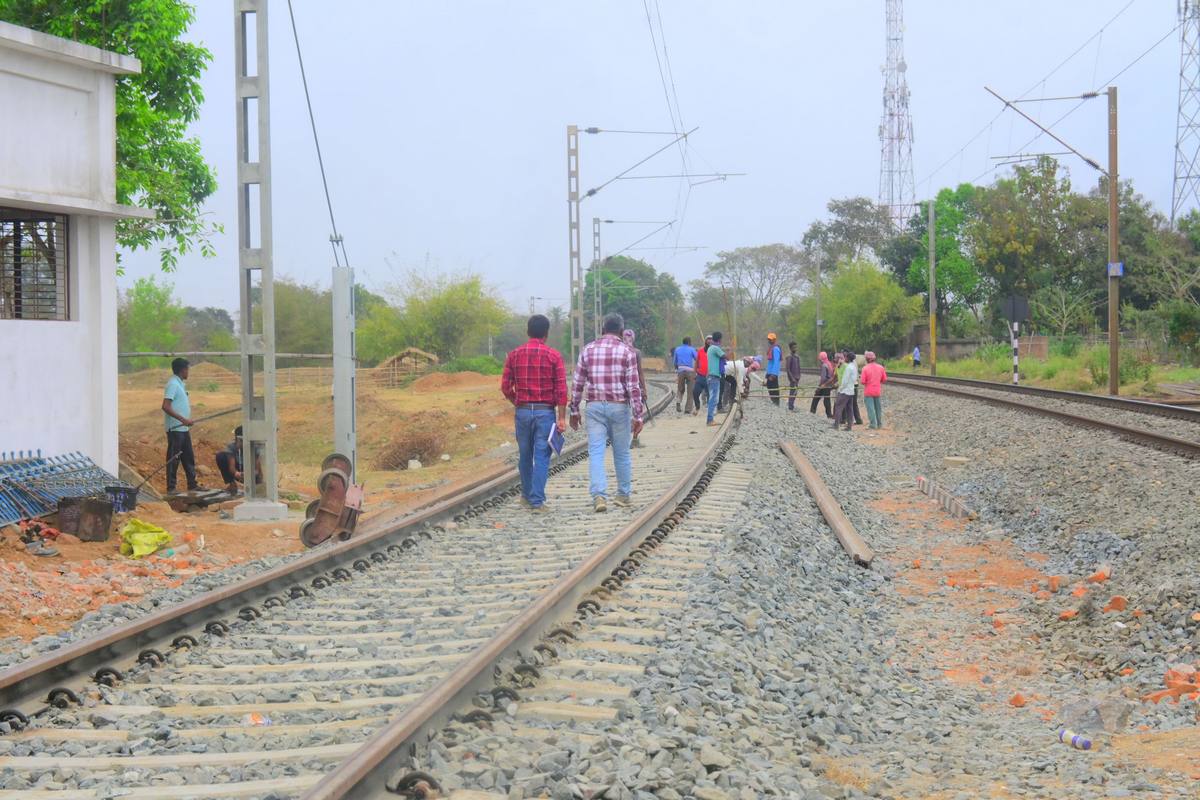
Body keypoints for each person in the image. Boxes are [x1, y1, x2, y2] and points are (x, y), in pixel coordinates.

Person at [569, 313, 645, 513]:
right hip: (619, 406)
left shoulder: (588, 350)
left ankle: (599, 496)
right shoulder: (627, 351)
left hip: (594, 406)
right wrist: (638, 415)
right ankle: (622, 495)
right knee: (621, 453)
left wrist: (574, 410)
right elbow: (633, 386)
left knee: (596, 452)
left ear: (602, 330)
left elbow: (577, 383)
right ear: (621, 331)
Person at [501, 314, 569, 512]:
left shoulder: (514, 355)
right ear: (546, 334)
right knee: (541, 456)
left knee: (524, 454)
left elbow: (505, 387)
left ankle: (525, 496)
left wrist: (517, 402)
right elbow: (561, 390)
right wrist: (562, 417)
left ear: (527, 332)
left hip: (522, 412)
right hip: (544, 413)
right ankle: (537, 501)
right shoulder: (554, 356)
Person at [162, 358, 199, 494]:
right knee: (174, 458)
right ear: (182, 370)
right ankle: (171, 488)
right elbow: (165, 406)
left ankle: (192, 484)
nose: (188, 372)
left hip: (183, 428)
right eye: (187, 369)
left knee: (188, 457)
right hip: (175, 429)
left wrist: (186, 421)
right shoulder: (173, 384)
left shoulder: (180, 384)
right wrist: (183, 419)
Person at [215, 425, 264, 495]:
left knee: (258, 487)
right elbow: (231, 467)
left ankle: (257, 487)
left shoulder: (254, 447)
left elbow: (257, 468)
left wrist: (254, 476)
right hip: (239, 471)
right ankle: (232, 484)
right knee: (220, 456)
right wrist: (237, 474)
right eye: (240, 441)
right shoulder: (231, 447)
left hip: (251, 472)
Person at [623, 329, 649, 448]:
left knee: (624, 414)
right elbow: (640, 372)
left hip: (620, 388)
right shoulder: (636, 352)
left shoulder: (618, 350)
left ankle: (622, 441)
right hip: (633, 385)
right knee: (636, 414)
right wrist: (643, 388)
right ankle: (634, 440)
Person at [861, 351, 888, 429]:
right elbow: (884, 379)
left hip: (868, 391)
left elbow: (863, 381)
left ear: (867, 359)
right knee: (878, 408)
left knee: (871, 409)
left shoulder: (865, 368)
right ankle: (879, 424)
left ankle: (873, 424)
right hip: (877, 390)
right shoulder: (881, 367)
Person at [833, 350, 859, 431]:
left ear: (848, 358)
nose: (845, 358)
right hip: (851, 390)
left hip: (845, 391)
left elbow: (845, 380)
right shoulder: (854, 367)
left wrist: (840, 389)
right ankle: (849, 426)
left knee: (838, 406)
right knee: (849, 408)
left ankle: (836, 425)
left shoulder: (848, 367)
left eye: (846, 357)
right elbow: (855, 379)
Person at [673, 336, 698, 414]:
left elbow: (675, 362)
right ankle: (688, 409)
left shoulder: (677, 349)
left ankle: (678, 402)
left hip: (680, 370)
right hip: (690, 371)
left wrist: (677, 369)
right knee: (690, 390)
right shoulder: (692, 349)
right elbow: (697, 358)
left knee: (680, 388)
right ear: (689, 342)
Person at [705, 331, 725, 426]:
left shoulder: (710, 348)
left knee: (713, 398)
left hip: (711, 376)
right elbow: (726, 356)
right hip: (714, 376)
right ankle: (710, 420)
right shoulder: (715, 348)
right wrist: (731, 350)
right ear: (720, 339)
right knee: (713, 398)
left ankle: (710, 418)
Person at [810, 350, 835, 417]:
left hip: (824, 385)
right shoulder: (829, 363)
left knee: (816, 397)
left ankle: (812, 412)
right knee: (827, 399)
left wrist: (819, 386)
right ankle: (829, 414)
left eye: (820, 358)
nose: (819, 360)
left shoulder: (824, 365)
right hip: (829, 384)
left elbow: (823, 378)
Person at [692, 335, 712, 415]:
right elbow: (696, 362)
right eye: (708, 339)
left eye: (711, 339)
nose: (710, 341)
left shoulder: (713, 351)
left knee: (710, 395)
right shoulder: (700, 351)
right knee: (695, 392)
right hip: (700, 376)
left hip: (710, 376)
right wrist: (694, 373)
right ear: (706, 341)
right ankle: (697, 407)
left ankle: (711, 411)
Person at [764, 333, 782, 406]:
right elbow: (770, 363)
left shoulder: (776, 349)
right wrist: (767, 374)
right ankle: (774, 402)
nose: (769, 341)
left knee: (774, 389)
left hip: (773, 374)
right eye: (769, 339)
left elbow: (776, 362)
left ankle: (776, 403)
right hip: (769, 373)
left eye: (770, 340)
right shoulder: (771, 348)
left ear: (774, 340)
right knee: (770, 387)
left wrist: (774, 374)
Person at [849, 349, 865, 426]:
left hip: (852, 385)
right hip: (856, 384)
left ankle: (851, 420)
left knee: (850, 403)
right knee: (854, 403)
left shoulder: (849, 365)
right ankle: (858, 419)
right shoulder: (854, 363)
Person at [785, 341, 802, 411]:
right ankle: (790, 407)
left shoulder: (797, 357)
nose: (795, 348)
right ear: (790, 348)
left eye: (796, 347)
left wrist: (799, 375)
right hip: (793, 378)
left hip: (797, 377)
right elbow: (788, 369)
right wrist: (792, 378)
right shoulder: (789, 357)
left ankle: (791, 405)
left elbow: (798, 367)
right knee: (792, 391)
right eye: (793, 347)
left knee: (795, 392)